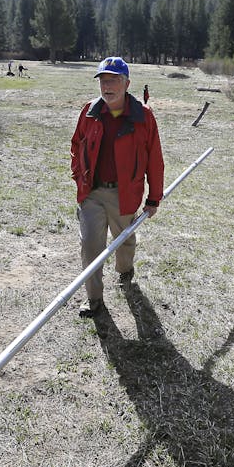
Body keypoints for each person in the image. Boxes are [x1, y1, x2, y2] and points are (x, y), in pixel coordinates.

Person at [70, 56, 164, 318]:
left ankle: (125, 271)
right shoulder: (90, 111)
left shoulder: (143, 117)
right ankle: (94, 299)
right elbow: (76, 145)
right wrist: (79, 175)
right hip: (92, 193)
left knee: (124, 243)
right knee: (90, 245)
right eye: (103, 81)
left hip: (125, 194)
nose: (107, 86)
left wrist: (154, 197)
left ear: (127, 83)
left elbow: (155, 159)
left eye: (114, 80)